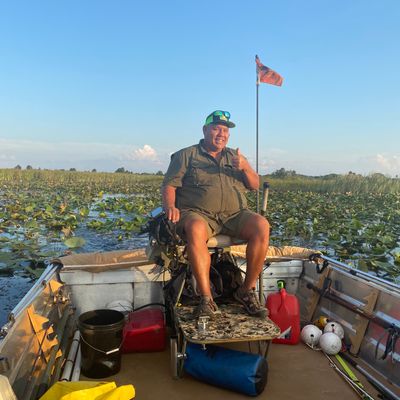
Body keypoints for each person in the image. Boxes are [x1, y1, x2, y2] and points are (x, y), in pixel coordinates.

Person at [162, 110, 270, 319]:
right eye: (216, 129)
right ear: (205, 130)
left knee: (262, 225)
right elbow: (169, 185)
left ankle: (246, 291)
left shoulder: (235, 156)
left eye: (225, 130)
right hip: (199, 214)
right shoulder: (186, 155)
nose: (221, 134)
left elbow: (254, 185)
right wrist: (170, 207)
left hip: (234, 215)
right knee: (195, 228)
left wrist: (245, 167)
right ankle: (206, 299)